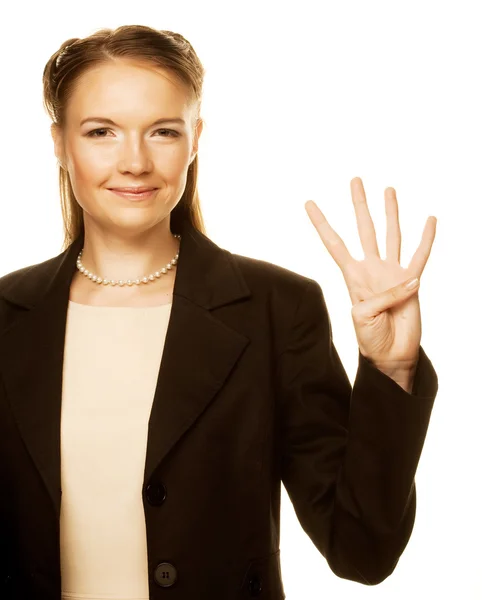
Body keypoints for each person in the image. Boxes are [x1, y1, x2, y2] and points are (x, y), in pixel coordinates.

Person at [0, 24, 438, 600]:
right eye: (101, 131)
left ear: (195, 139)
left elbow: (362, 550)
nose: (134, 161)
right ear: (59, 143)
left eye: (162, 131)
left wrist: (391, 371)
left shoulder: (276, 309)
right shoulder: (8, 319)